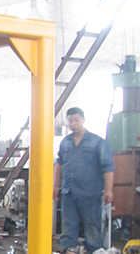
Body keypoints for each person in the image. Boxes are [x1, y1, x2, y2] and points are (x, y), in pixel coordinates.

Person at [53, 107, 114, 254]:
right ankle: (69, 250)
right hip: (69, 192)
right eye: (70, 121)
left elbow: (107, 167)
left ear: (83, 120)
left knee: (92, 226)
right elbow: (59, 165)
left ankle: (94, 251)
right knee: (68, 226)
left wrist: (109, 190)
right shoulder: (65, 143)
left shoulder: (97, 142)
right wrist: (55, 187)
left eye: (76, 120)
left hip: (90, 193)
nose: (73, 124)